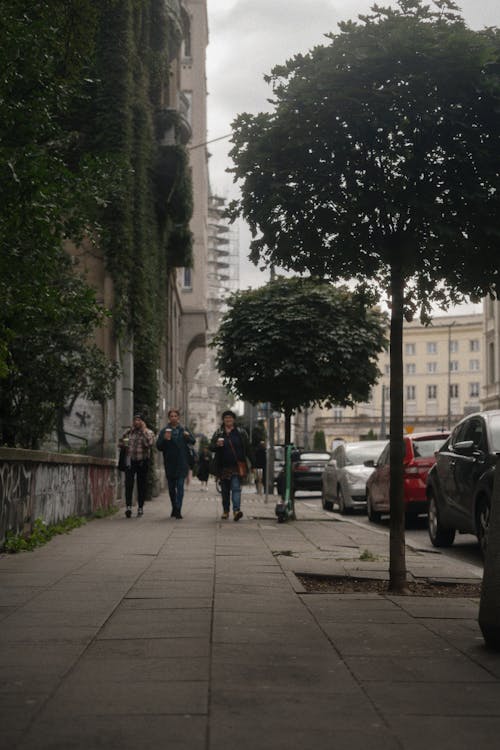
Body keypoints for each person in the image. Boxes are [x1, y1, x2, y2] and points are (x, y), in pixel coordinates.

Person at [210, 410, 254, 521]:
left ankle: (236, 511)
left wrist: (253, 463)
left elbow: (248, 448)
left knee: (236, 488)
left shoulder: (241, 432)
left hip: (237, 466)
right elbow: (211, 447)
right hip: (223, 466)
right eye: (226, 418)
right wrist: (216, 445)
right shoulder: (219, 433)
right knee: (225, 490)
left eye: (230, 418)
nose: (228, 420)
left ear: (233, 420)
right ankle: (226, 511)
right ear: (223, 420)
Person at [156, 408, 195, 519]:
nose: (173, 418)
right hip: (170, 462)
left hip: (182, 462)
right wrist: (164, 439)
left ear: (178, 418)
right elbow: (159, 446)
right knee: (172, 488)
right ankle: (174, 507)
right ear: (169, 418)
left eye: (175, 416)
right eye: (171, 416)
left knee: (180, 486)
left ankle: (178, 509)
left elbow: (193, 441)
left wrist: (188, 436)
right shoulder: (164, 431)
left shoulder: (184, 429)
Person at [119, 413, 155, 518]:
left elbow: (148, 444)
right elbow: (120, 443)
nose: (136, 422)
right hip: (130, 461)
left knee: (141, 485)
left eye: (139, 420)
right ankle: (128, 507)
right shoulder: (129, 432)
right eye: (135, 420)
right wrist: (122, 444)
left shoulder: (149, 432)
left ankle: (140, 507)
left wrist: (143, 431)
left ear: (143, 422)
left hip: (142, 461)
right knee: (129, 483)